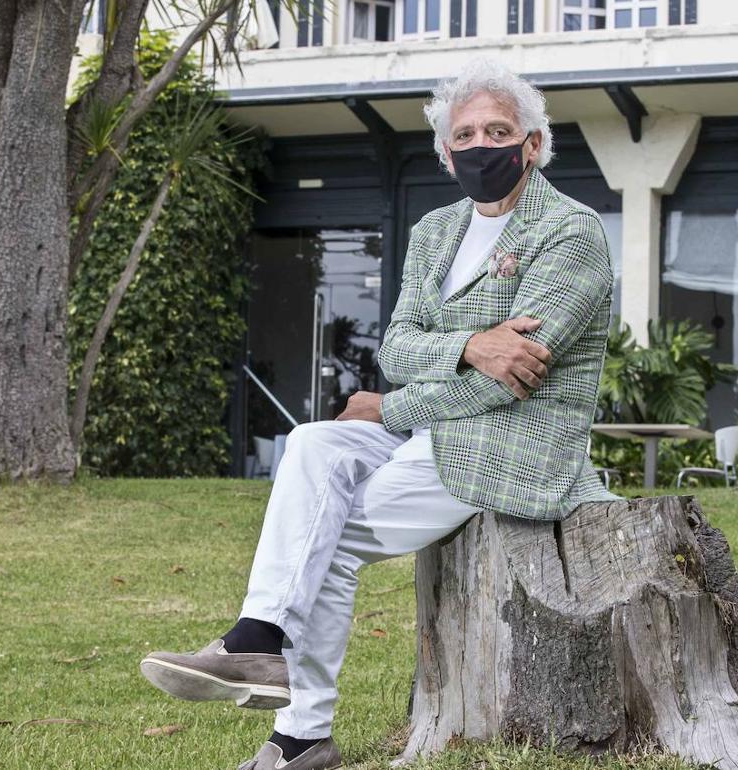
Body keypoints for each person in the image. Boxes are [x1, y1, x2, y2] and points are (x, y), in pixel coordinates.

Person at [138, 57, 623, 770]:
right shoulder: (435, 232)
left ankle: (298, 729)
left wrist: (397, 401)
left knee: (325, 539)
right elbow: (397, 346)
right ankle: (259, 640)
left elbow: (513, 379)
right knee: (312, 444)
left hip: (513, 445)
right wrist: (469, 343)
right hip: (429, 432)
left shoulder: (570, 234)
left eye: (499, 130)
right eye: (466, 134)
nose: (481, 145)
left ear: (534, 145)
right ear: (446, 152)